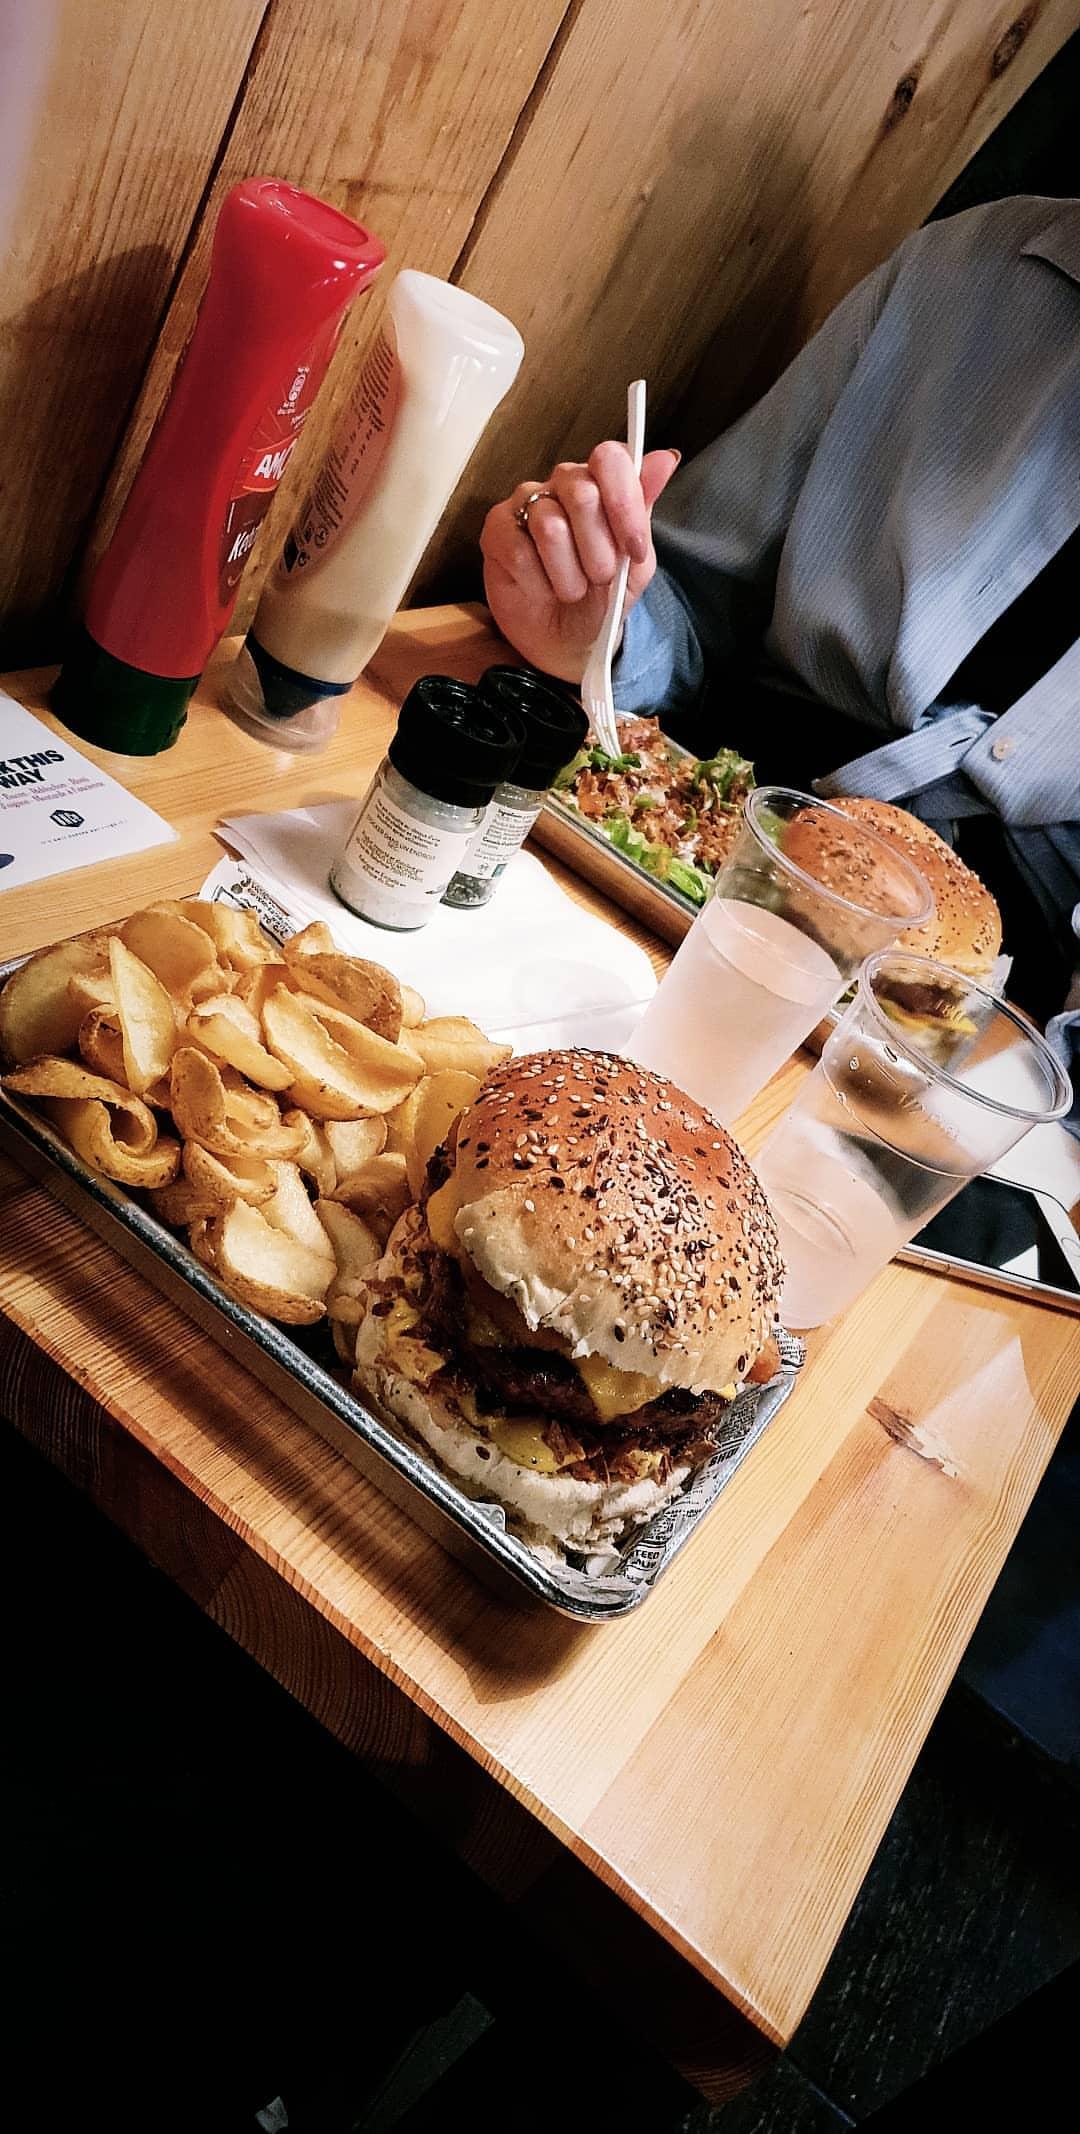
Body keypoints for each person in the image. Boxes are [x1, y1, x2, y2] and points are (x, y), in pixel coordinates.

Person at [481, 194, 1080, 1101]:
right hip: (703, 827)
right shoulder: (965, 274)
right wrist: (599, 629)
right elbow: (696, 603)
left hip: (986, 1031)